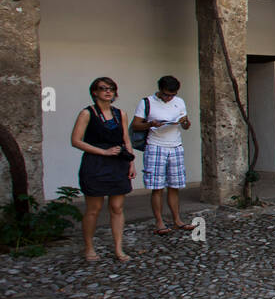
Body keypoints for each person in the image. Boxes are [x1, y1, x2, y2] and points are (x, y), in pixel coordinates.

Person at [70, 77, 135, 262]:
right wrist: (103, 152)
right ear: (94, 92)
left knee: (117, 207)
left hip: (118, 163)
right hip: (96, 163)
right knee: (94, 208)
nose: (108, 92)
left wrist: (131, 162)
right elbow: (76, 141)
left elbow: (126, 139)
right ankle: (89, 247)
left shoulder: (120, 114)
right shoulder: (87, 113)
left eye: (111, 89)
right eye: (103, 88)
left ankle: (118, 248)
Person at [132, 75, 193, 235]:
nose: (169, 98)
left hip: (175, 146)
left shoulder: (179, 102)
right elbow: (136, 125)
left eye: (172, 95)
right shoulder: (146, 102)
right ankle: (159, 222)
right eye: (166, 94)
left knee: (175, 186)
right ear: (159, 90)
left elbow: (185, 125)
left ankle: (177, 219)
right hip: (155, 146)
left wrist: (185, 122)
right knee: (157, 187)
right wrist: (151, 124)